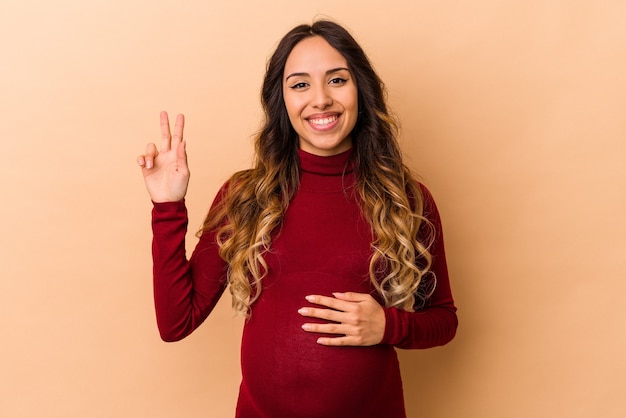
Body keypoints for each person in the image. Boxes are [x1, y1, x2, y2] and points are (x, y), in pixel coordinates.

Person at [137, 19, 457, 418]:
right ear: (282, 101)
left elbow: (444, 319)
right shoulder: (245, 196)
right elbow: (176, 322)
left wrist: (389, 327)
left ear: (361, 89)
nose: (320, 99)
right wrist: (167, 208)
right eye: (300, 84)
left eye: (337, 80)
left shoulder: (406, 199)